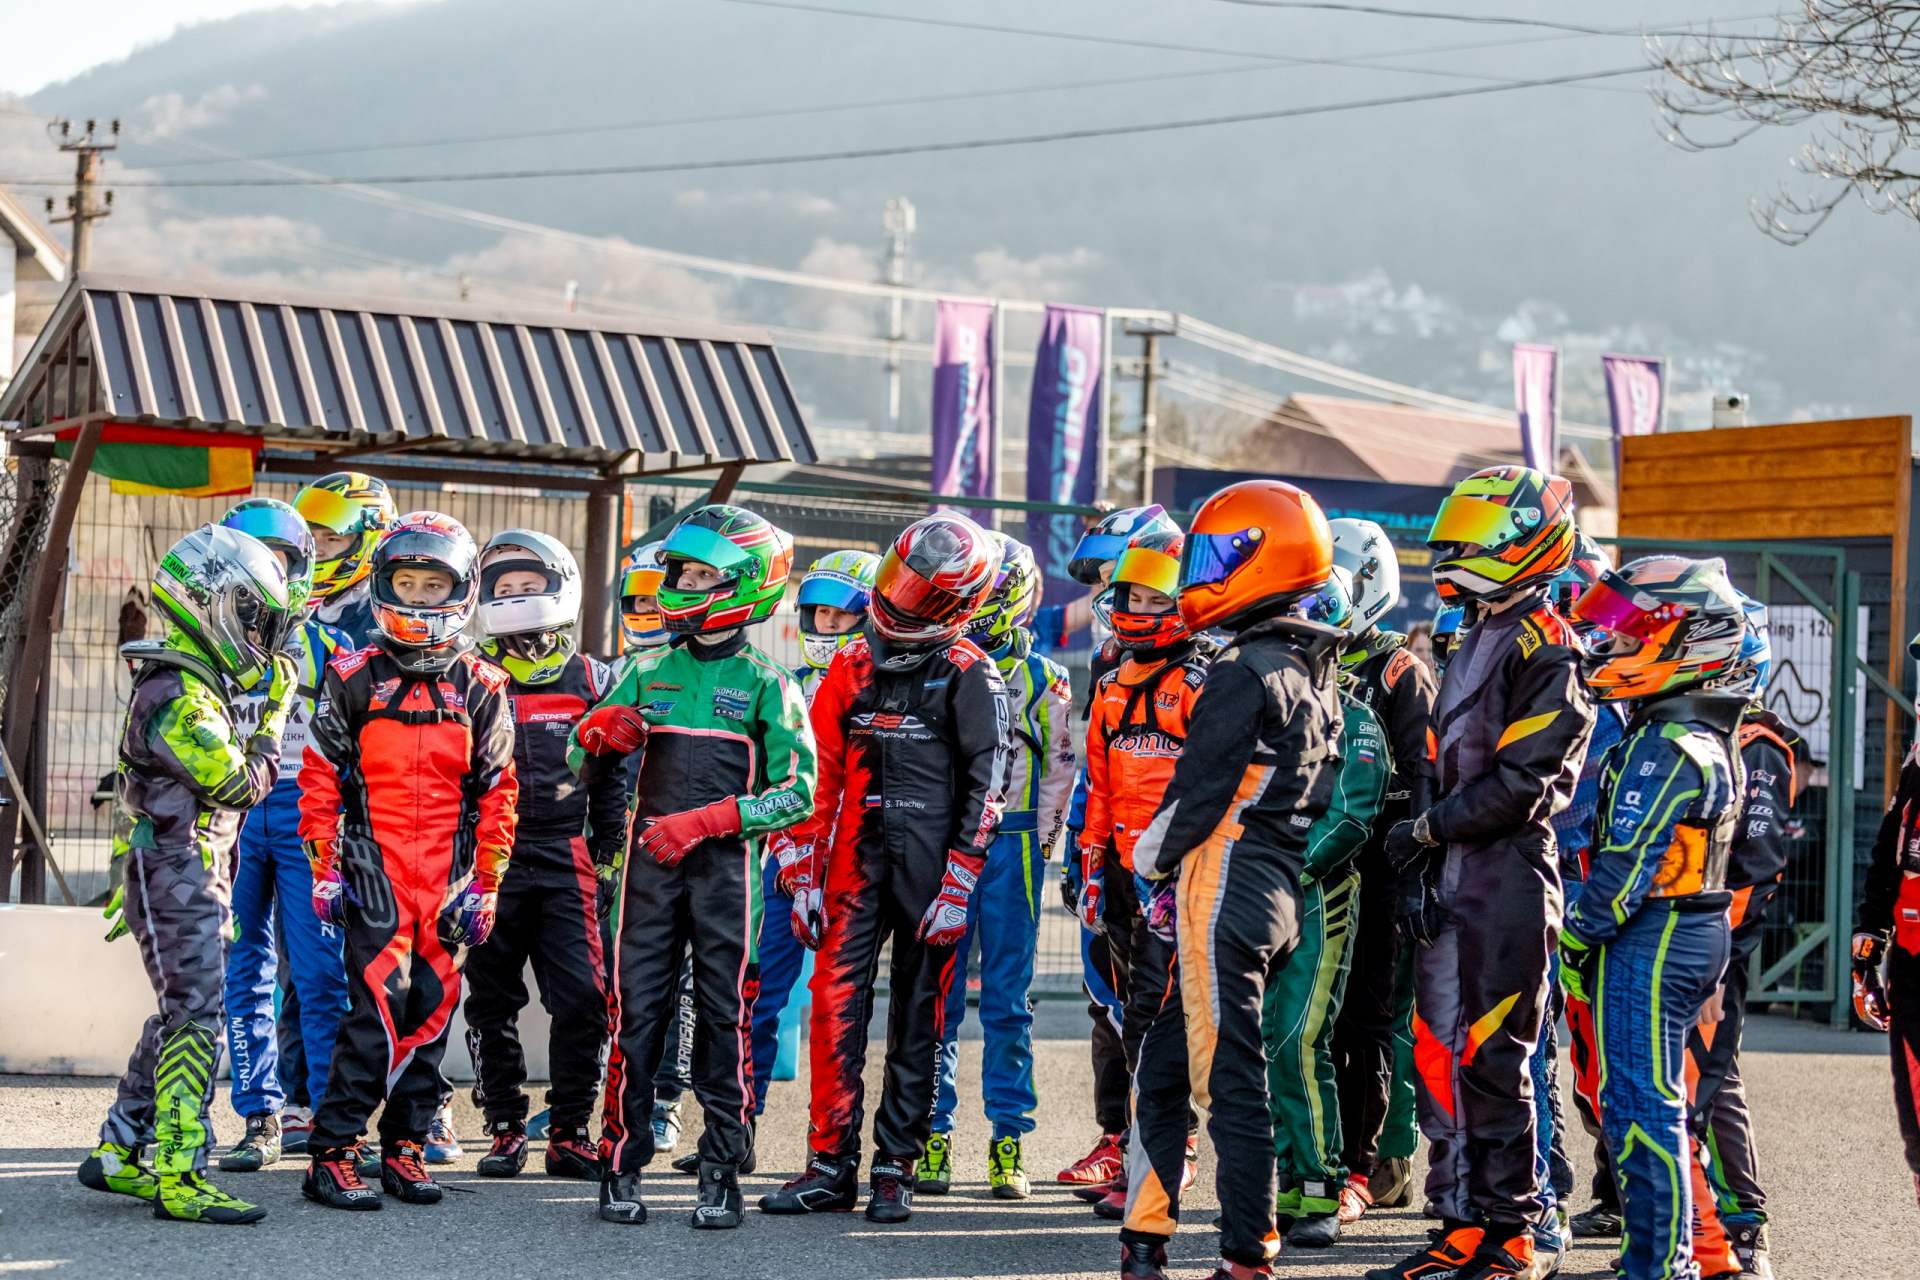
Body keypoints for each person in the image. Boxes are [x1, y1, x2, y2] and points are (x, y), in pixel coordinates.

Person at [1369, 466, 1594, 1280]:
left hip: (1509, 876)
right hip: (1451, 871)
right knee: (1439, 1053)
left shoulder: (1550, 646)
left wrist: (1427, 829)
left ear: (1524, 543)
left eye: (1472, 540)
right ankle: (1460, 1223)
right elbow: (1439, 756)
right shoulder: (1473, 634)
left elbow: (1528, 783)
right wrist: (1421, 853)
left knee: (1498, 1058)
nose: (1454, 554)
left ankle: (1515, 1234)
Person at [1123, 479, 1345, 1280]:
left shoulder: (1245, 669)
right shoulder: (1313, 667)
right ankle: (1144, 1239)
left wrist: (1143, 862)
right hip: (1275, 887)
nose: (1201, 575)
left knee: (1228, 1079)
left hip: (1223, 883)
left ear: (1269, 557)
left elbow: (1196, 794)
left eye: (1219, 558)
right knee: (1162, 1069)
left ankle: (1248, 1256)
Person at [758, 512, 1006, 1225]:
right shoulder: (849, 662)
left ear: (960, 605)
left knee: (921, 1017)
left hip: (933, 869)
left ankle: (896, 1166)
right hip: (853, 863)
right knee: (834, 1009)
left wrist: (959, 883)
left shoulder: (972, 673)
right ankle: (828, 1166)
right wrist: (802, 873)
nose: (900, 598)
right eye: (898, 579)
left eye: (921, 592)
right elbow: (816, 774)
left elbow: (988, 787)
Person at [577, 504, 815, 1231]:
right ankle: (620, 1166)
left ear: (745, 582)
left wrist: (709, 822)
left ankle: (721, 1172)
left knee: (724, 1020)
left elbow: (799, 794)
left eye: (699, 576)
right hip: (647, 877)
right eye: (680, 574)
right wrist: (598, 733)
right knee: (635, 1017)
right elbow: (578, 755)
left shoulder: (772, 683)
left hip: (728, 880)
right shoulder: (643, 668)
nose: (681, 586)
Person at [79, 525, 299, 1225]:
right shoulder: (179, 693)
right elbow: (238, 784)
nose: (259, 638)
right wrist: (274, 715)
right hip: (179, 873)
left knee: (182, 1012)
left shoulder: (187, 682)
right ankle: (180, 1171)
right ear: (215, 603)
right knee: (197, 1020)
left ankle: (120, 1150)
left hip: (179, 871)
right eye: (253, 619)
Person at [298, 512, 518, 1210]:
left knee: (431, 1017)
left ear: (461, 591)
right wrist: (325, 869)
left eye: (433, 586)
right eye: (406, 584)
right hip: (375, 871)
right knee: (373, 1014)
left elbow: (499, 791)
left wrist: (487, 884)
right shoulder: (351, 675)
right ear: (383, 586)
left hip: (450, 879)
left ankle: (405, 1147)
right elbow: (319, 780)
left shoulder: (484, 684)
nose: (418, 598)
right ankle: (332, 1153)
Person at [1558, 555, 1749, 1280]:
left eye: (1628, 633)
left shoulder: (1664, 743)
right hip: (1689, 927)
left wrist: (1576, 940)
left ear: (1682, 638)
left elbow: (1621, 872)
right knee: (1649, 1100)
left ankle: (1662, 1264)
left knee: (1642, 1106)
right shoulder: (1696, 729)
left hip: (1658, 933)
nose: (1609, 646)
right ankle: (1666, 1257)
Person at [664, 548, 881, 1179]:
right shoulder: (782, 682)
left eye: (841, 617)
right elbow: (769, 780)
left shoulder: (885, 687)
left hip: (859, 870)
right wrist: (786, 849)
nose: (826, 627)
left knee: (842, 1015)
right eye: (817, 614)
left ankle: (836, 1151)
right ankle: (735, 1132)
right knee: (754, 1001)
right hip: (784, 866)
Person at [463, 531, 624, 1181]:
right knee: (490, 999)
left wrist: (610, 857)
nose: (516, 597)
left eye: (529, 586)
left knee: (585, 997)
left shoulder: (594, 678)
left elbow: (615, 776)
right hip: (489, 861)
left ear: (560, 587)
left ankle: (569, 1130)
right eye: (503, 588)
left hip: (567, 856)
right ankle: (504, 1128)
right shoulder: (468, 673)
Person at [923, 533, 1074, 1200]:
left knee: (1008, 1001)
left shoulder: (1044, 676)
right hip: (949, 842)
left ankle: (1008, 1137)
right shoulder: (941, 663)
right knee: (939, 997)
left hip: (1013, 845)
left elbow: (1060, 769)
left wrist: (1043, 844)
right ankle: (932, 1133)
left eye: (987, 589)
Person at [1076, 525, 1214, 1221]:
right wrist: (1090, 867)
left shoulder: (1200, 682)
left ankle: (1174, 1153)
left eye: (1157, 598)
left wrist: (1179, 872)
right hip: (1124, 873)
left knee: (1171, 1023)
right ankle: (1146, 1149)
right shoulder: (1108, 686)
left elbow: (1211, 789)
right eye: (1132, 595)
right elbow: (1098, 787)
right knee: (1133, 1017)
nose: (1139, 608)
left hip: (1182, 877)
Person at [213, 500, 351, 1175]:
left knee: (322, 973)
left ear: (301, 566)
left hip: (308, 814)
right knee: (243, 971)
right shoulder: (207, 641)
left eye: (279, 557)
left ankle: (331, 1123)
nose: (265, 568)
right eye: (251, 555)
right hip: (233, 812)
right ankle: (259, 1118)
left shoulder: (333, 646)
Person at [1262, 569, 1393, 1251]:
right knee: (1251, 1042)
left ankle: (1318, 1183)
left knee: (1297, 1037)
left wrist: (1283, 871)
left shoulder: (1360, 720)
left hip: (1317, 896)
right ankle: (1277, 1181)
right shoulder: (1261, 705)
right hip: (1252, 893)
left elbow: (1351, 816)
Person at [1056, 504, 1183, 1190]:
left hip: (1172, 862)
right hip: (1109, 846)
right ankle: (1117, 1136)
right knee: (1105, 997)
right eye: (1109, 582)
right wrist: (1083, 855)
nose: (1112, 594)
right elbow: (1094, 771)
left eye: (1121, 576)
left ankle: (1166, 1143)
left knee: (1162, 1009)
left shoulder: (1199, 662)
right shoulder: (1109, 662)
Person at [1323, 518, 1437, 1226]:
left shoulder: (1399, 669)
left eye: (1332, 575)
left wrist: (1417, 865)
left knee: (1377, 1016)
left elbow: (1425, 775)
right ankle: (1330, 1156)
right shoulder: (1318, 655)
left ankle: (1377, 1165)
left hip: (1388, 863)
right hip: (1327, 859)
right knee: (1324, 1017)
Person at [284, 470, 396, 1155]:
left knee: (380, 963)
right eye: (312, 537)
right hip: (304, 805)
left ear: (366, 540)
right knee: (302, 966)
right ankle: (301, 1099)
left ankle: (410, 1109)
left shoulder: (386, 618)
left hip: (376, 812)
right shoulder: (295, 607)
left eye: (329, 538)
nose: (316, 549)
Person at [1687, 596, 1799, 1280]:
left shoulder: (1759, 747)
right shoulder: (1689, 732)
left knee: (1713, 1077)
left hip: (1713, 948)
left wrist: (1710, 956)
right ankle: (1682, 1225)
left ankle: (1744, 1226)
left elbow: (1755, 872)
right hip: (1669, 939)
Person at [1854, 630, 1920, 1213]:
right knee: (1916, 1123)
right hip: (1914, 964)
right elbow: (1889, 852)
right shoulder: (1917, 765)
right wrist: (1869, 942)